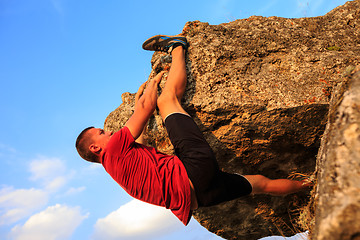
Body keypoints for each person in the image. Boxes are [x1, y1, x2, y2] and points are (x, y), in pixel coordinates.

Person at [75, 35, 311, 225]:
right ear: (95, 147)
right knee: (167, 100)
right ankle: (178, 46)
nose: (109, 133)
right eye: (102, 133)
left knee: (261, 185)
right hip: (193, 169)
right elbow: (147, 107)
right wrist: (152, 86)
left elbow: (144, 143)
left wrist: (139, 107)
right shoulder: (114, 150)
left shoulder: (117, 169)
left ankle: (310, 185)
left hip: (203, 197)